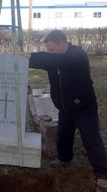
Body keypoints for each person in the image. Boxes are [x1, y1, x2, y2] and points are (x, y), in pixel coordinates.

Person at [24, 30, 107, 191]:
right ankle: (65, 158)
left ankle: (103, 175)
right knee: (64, 135)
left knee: (92, 141)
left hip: (84, 107)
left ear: (63, 43)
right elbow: (41, 61)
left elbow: (55, 60)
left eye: (52, 49)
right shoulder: (56, 58)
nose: (50, 53)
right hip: (65, 107)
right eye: (48, 50)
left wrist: (34, 56)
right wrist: (20, 56)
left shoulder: (76, 55)